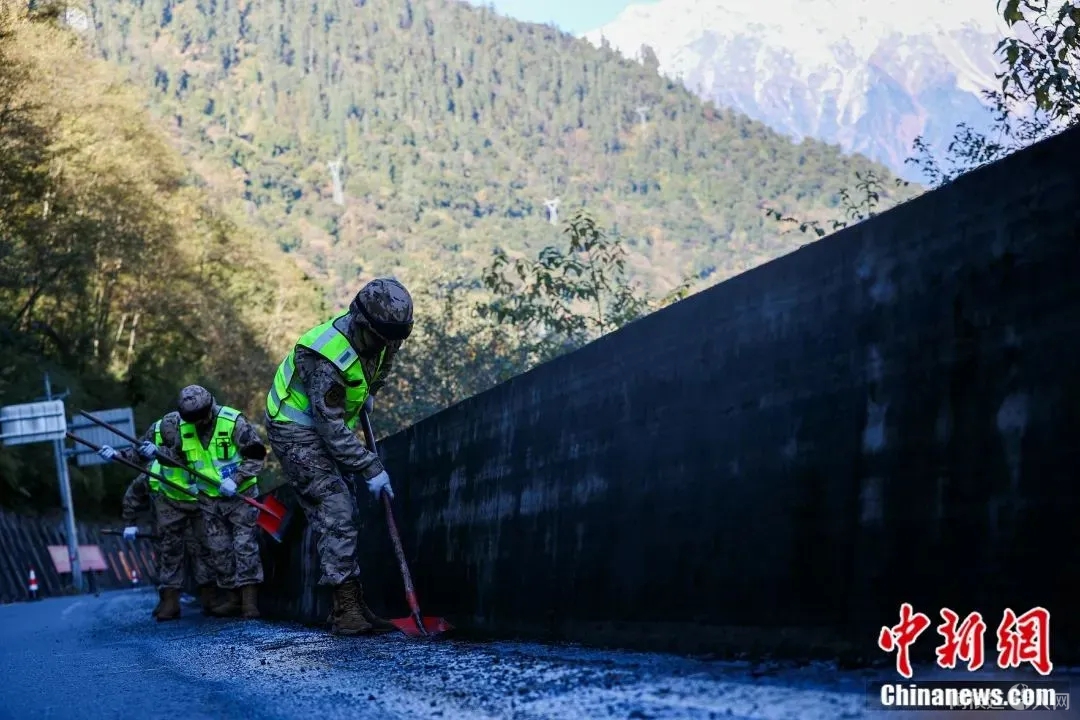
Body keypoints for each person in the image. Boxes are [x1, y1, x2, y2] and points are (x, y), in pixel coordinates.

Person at [264, 277, 412, 636]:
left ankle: (352, 603)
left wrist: (370, 392)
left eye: (392, 341)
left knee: (348, 510)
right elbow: (329, 427)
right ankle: (346, 611)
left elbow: (382, 364)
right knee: (336, 508)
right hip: (295, 428)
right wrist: (370, 466)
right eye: (379, 340)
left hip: (327, 424)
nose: (386, 347)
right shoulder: (324, 357)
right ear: (360, 323)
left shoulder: (385, 335)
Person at [100, 386, 268, 619]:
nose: (198, 423)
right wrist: (153, 453)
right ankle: (233, 598)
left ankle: (250, 603)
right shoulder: (181, 427)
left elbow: (257, 455)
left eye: (201, 418)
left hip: (240, 494)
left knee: (244, 544)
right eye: (192, 420)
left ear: (209, 409)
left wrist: (236, 479)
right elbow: (177, 459)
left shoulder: (233, 422)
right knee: (218, 551)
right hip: (209, 499)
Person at [118, 436, 216, 620]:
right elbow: (133, 495)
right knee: (167, 561)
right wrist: (130, 524)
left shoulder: (201, 462)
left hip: (196, 520)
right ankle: (168, 601)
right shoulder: (153, 470)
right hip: (165, 525)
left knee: (203, 557)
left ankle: (210, 599)